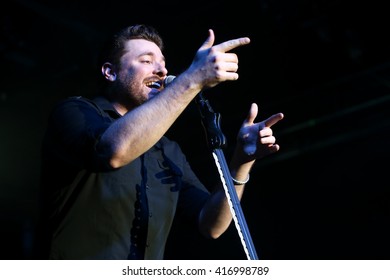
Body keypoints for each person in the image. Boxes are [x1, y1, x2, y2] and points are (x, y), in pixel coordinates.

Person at [38, 23, 284, 260]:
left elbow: (211, 224)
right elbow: (114, 152)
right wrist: (193, 78)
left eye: (163, 64)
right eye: (146, 61)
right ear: (110, 72)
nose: (162, 71)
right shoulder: (73, 112)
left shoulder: (167, 150)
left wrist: (241, 160)